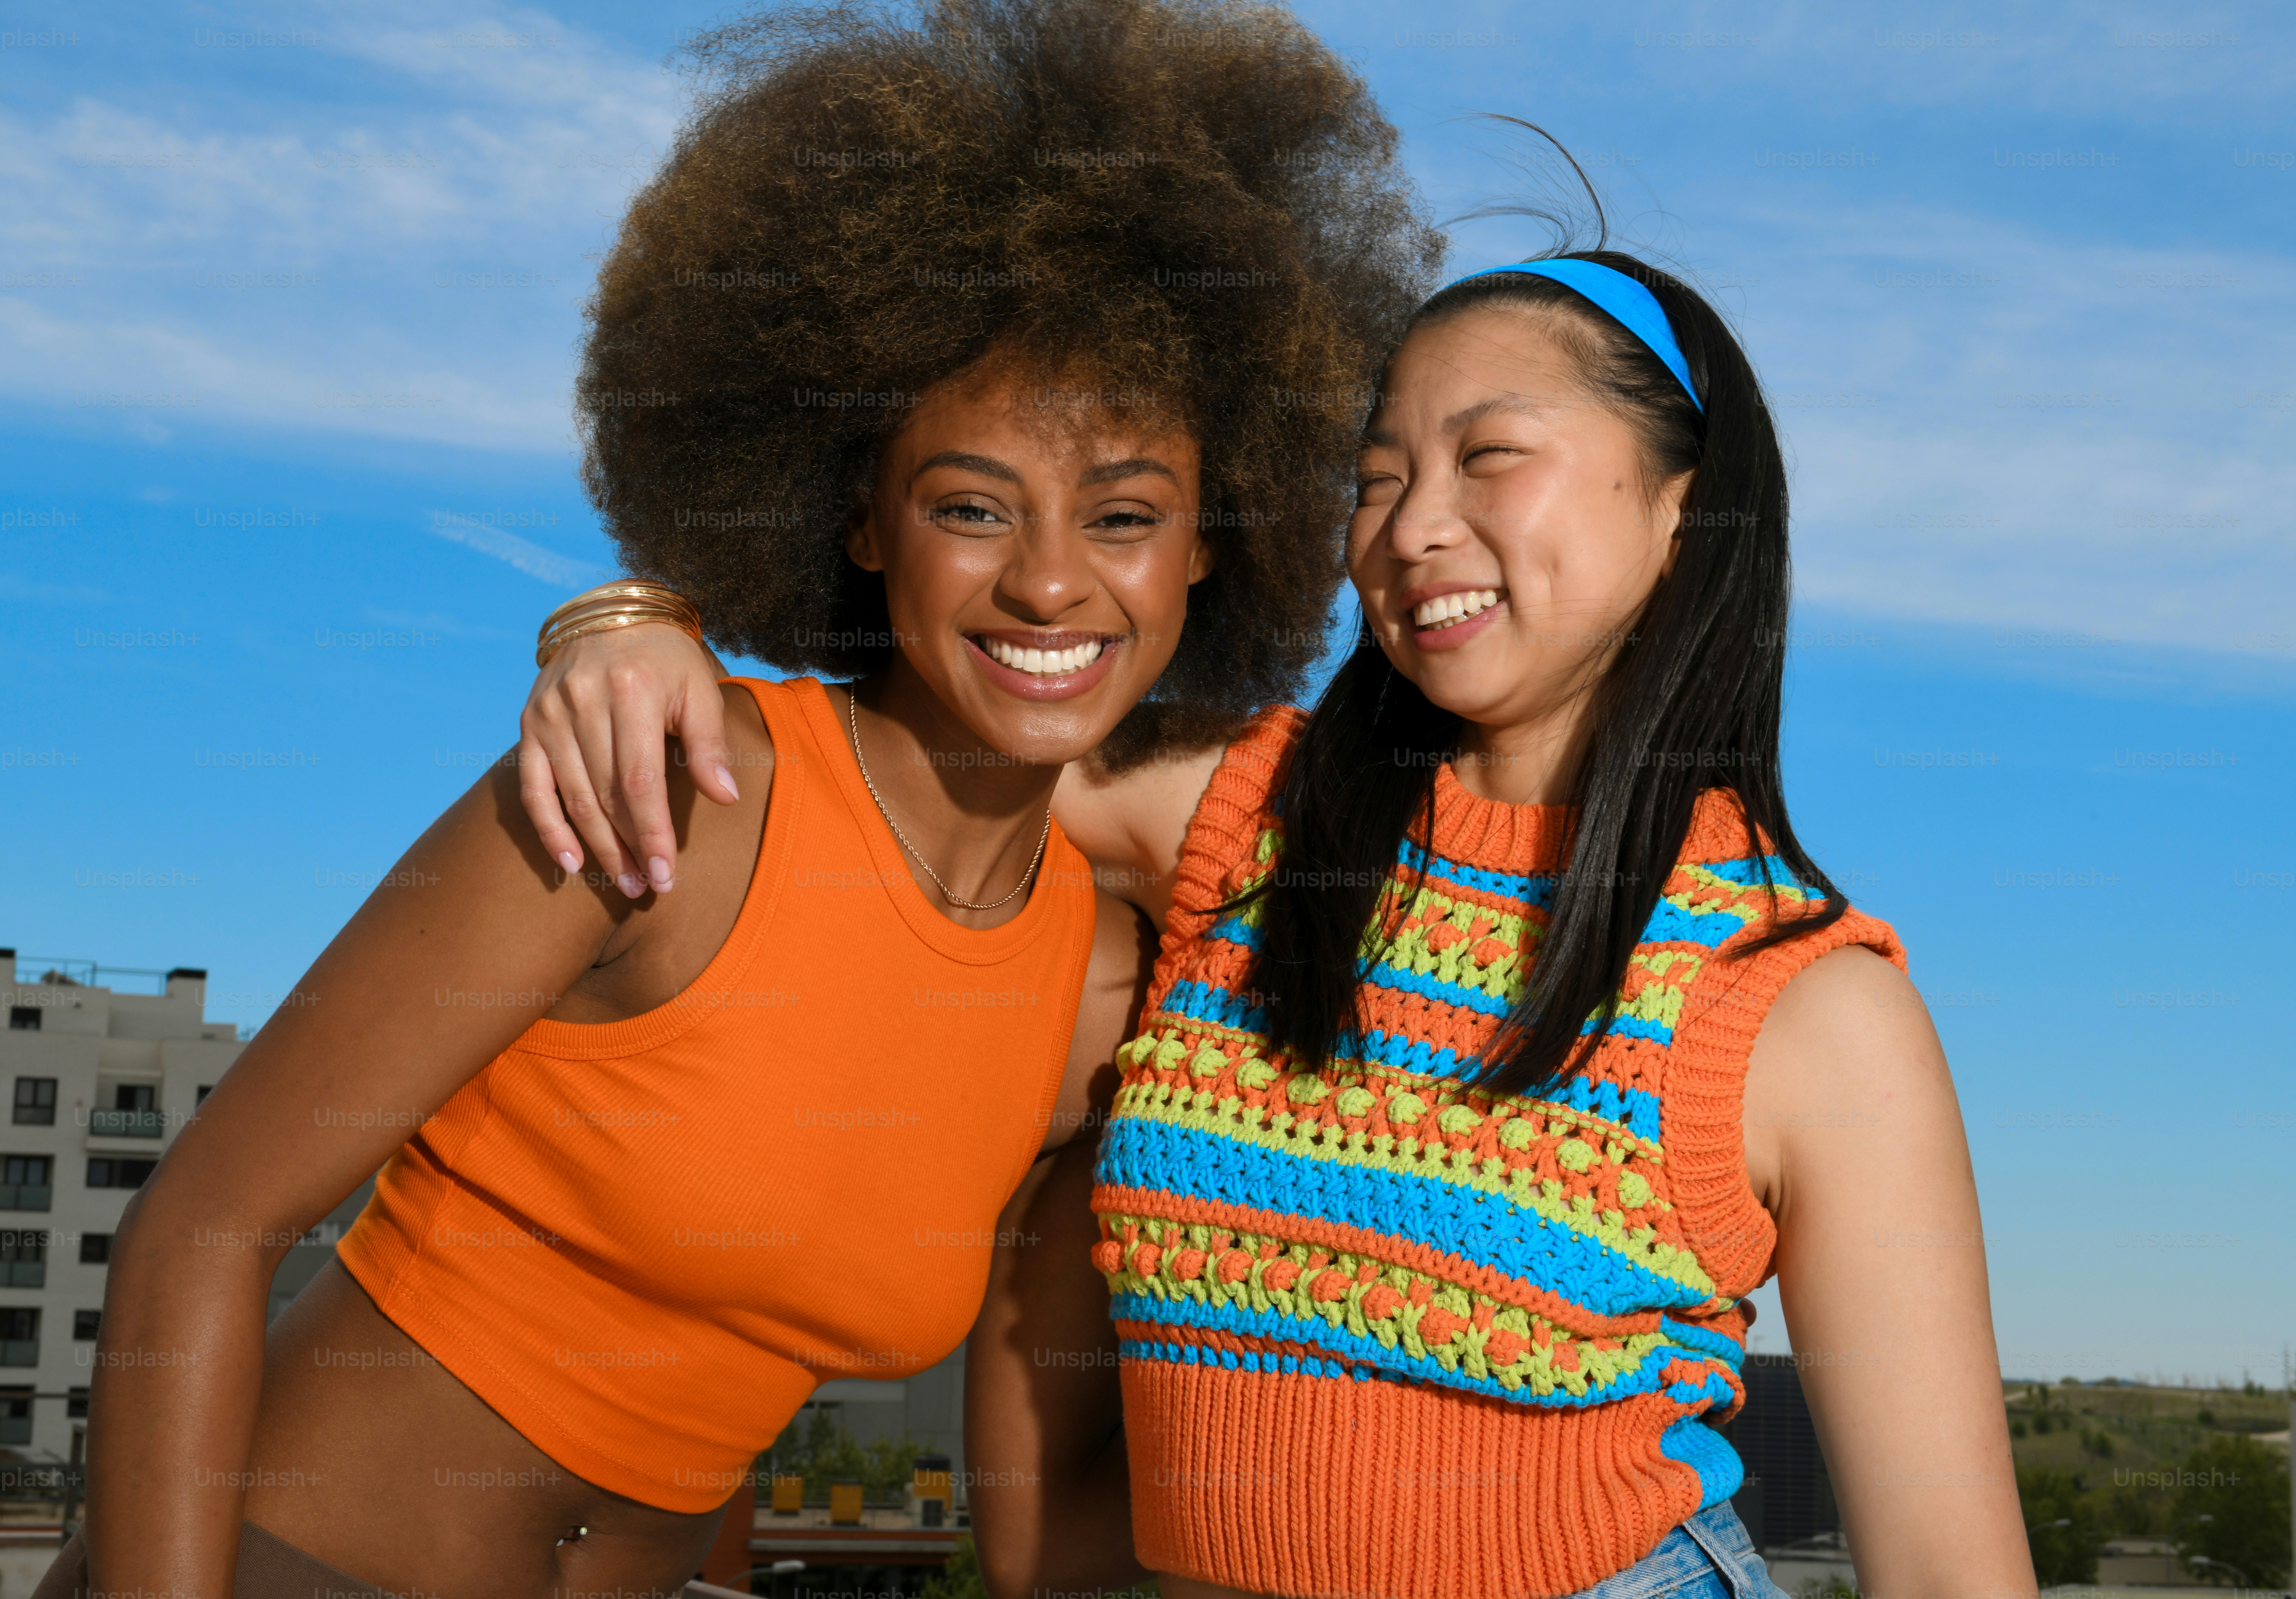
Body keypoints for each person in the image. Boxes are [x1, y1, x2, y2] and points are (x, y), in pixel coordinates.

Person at [40, 3, 1435, 1595]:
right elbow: (198, 1234)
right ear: (862, 522)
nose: (1050, 580)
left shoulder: (1100, 991)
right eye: (972, 506)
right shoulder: (663, 795)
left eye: (1123, 516)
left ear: (1212, 546)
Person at [517, 238, 2038, 1596]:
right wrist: (637, 629)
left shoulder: (1801, 1003)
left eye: (1487, 457)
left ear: (1684, 515)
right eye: (1376, 481)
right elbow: (899, 729)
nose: (1409, 528)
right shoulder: (1240, 821)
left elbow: (1945, 1564)